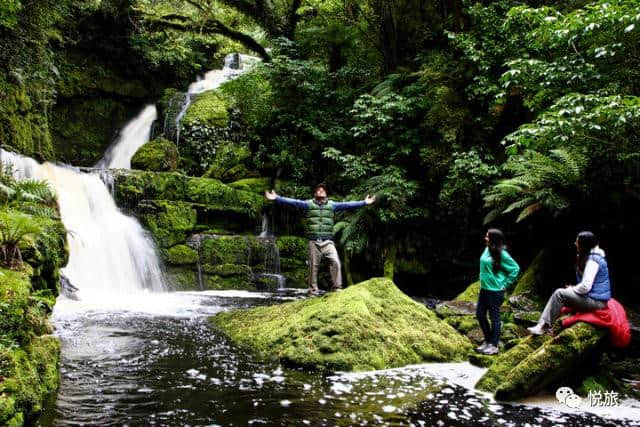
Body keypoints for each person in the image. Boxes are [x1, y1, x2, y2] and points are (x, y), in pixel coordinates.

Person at [265, 184, 375, 295]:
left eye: (323, 190)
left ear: (326, 193)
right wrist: (277, 198)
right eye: (318, 190)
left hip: (328, 242)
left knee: (335, 262)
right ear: (315, 194)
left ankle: (337, 288)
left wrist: (364, 202)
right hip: (313, 242)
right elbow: (294, 202)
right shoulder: (308, 204)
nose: (321, 191)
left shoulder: (332, 205)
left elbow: (347, 204)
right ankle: (313, 290)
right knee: (313, 267)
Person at [528, 231, 611, 335]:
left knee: (559, 294)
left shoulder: (593, 261)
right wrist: (574, 288)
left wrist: (571, 290)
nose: (575, 243)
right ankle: (543, 325)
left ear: (584, 244)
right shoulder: (589, 257)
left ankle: (544, 327)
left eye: (577, 242)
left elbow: (585, 287)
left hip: (597, 303)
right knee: (561, 293)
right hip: (593, 298)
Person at [476, 229, 520, 355]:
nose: (485, 238)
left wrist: (505, 284)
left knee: (494, 318)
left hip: (495, 291)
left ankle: (494, 345)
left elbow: (515, 269)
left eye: (487, 236)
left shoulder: (502, 254)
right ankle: (488, 341)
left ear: (493, 239)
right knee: (480, 314)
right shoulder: (487, 249)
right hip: (484, 289)